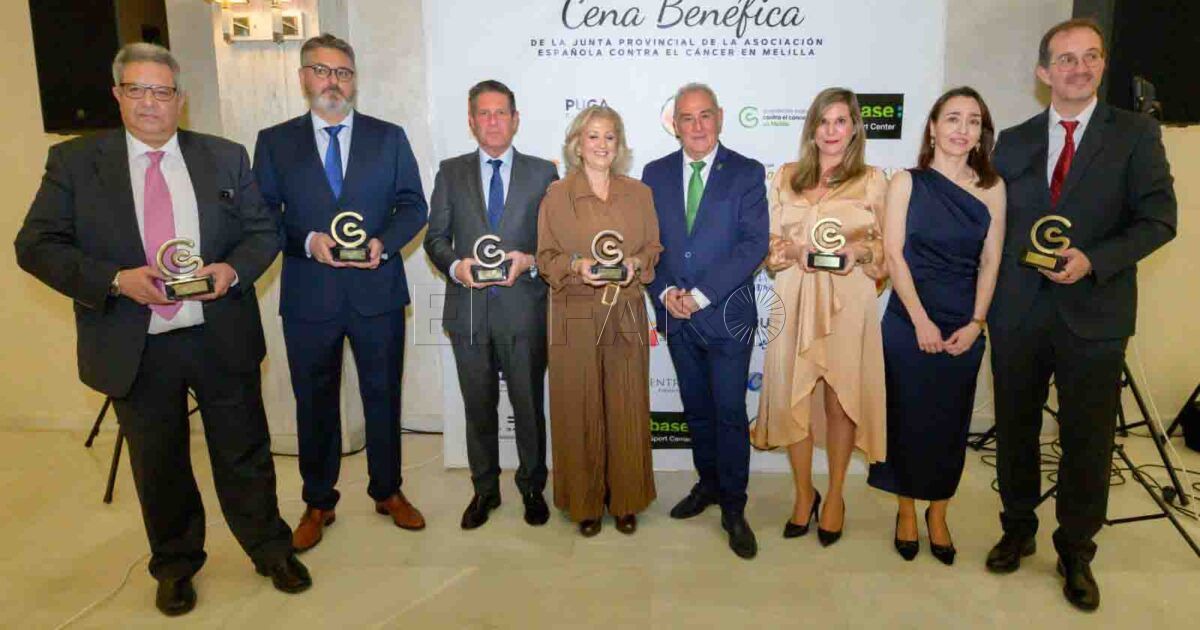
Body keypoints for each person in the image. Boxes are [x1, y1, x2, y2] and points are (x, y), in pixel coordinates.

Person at [15, 43, 309, 617]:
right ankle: (175, 566)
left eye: (162, 91)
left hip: (218, 333)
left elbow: (262, 233)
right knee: (159, 463)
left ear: (181, 99)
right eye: (137, 89)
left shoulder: (224, 156)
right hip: (135, 341)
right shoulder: (76, 163)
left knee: (244, 452)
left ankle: (270, 549)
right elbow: (35, 245)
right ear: (117, 94)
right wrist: (114, 280)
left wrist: (233, 270)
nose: (150, 102)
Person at [986, 18, 1176, 611]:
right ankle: (1017, 528)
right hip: (1018, 311)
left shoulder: (1136, 135)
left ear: (1102, 64)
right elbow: (992, 224)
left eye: (1091, 56)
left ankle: (1075, 550)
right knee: (1015, 430)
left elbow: (1159, 220)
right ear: (1044, 72)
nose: (1080, 68)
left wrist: (1095, 259)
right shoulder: (1012, 140)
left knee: (1087, 441)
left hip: (1095, 313)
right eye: (1066, 59)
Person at [253, 33, 429, 552]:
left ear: (354, 81)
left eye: (343, 72)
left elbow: (413, 207)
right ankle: (318, 501)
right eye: (322, 70)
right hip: (309, 297)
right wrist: (307, 241)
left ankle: (388, 490)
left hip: (377, 292)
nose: (333, 81)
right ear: (303, 77)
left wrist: (385, 243)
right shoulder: (275, 142)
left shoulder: (388, 137)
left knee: (383, 396)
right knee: (314, 402)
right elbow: (262, 218)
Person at [866, 87, 1006, 565]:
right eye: (952, 118)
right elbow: (893, 255)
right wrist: (920, 320)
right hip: (909, 322)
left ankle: (939, 512)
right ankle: (906, 510)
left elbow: (991, 261)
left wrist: (976, 322)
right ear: (932, 127)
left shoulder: (993, 188)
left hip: (964, 324)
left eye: (973, 121)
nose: (962, 129)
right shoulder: (906, 182)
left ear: (981, 133)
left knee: (949, 424)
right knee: (906, 420)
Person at [751, 87, 888, 547]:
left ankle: (834, 496)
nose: (831, 131)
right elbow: (768, 245)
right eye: (823, 121)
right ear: (811, 129)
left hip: (848, 300)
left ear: (854, 129)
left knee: (840, 399)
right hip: (795, 292)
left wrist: (858, 252)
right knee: (795, 398)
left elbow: (886, 250)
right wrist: (794, 252)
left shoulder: (873, 180)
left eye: (841, 121)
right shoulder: (786, 177)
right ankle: (803, 493)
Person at [641, 83, 768, 559]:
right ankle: (708, 484)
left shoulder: (747, 172)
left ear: (720, 117)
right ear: (674, 124)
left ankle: (734, 506)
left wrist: (699, 295)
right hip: (675, 315)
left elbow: (753, 245)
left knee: (729, 413)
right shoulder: (653, 174)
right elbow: (648, 245)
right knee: (696, 409)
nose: (697, 126)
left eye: (705, 115)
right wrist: (663, 292)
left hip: (727, 317)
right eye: (687, 118)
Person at [424, 80, 558, 529]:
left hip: (524, 310)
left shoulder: (543, 174)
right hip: (469, 312)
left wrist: (531, 260)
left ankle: (532, 487)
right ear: (471, 121)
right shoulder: (451, 172)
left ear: (516, 120)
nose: (493, 121)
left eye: (501, 112)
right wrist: (455, 266)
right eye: (484, 113)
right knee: (478, 407)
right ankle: (485, 490)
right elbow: (435, 238)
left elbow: (554, 243)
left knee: (528, 407)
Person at [536, 105, 662, 537]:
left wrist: (635, 264)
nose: (602, 144)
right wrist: (576, 265)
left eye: (610, 136)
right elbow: (545, 257)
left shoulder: (639, 193)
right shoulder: (557, 195)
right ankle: (585, 502)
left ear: (619, 145)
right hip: (573, 311)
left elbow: (652, 249)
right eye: (593, 136)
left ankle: (626, 499)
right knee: (577, 405)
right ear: (577, 144)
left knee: (626, 405)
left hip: (625, 308)